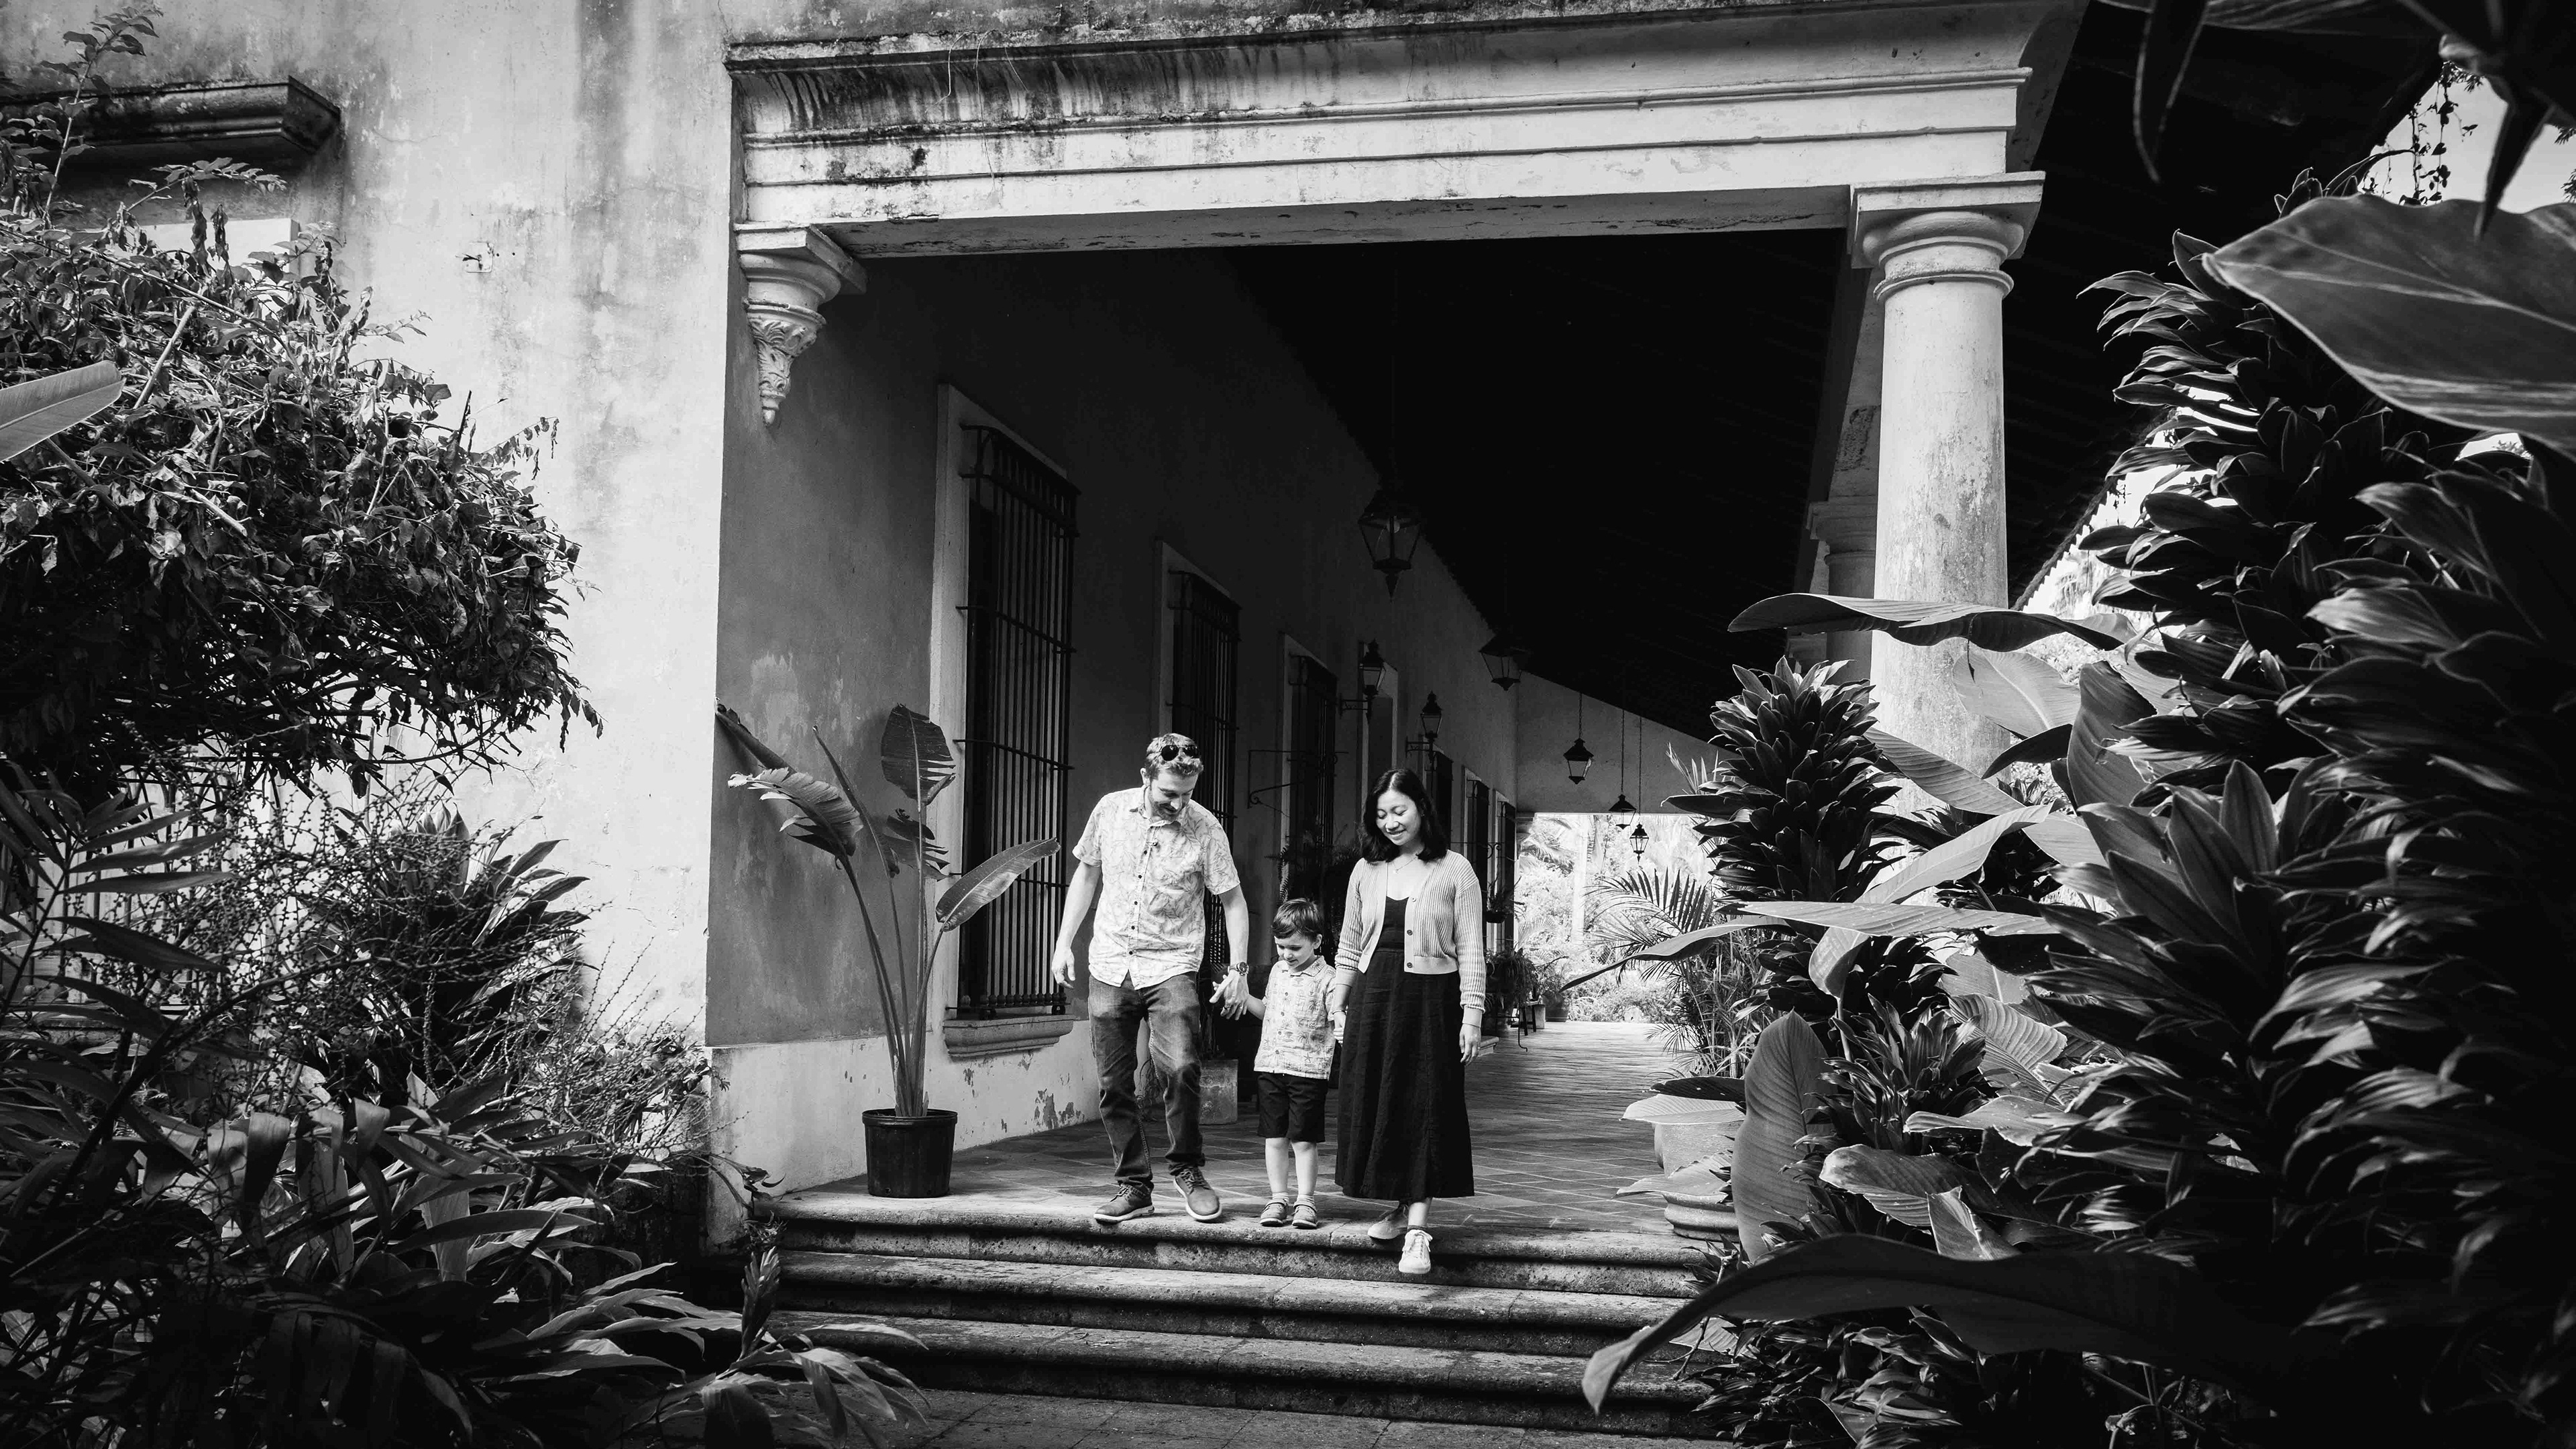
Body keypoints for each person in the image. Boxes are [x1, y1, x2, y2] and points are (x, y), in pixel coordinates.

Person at [1052, 733, 1249, 1225]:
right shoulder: (1110, 810)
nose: (1179, 804)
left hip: (1172, 964)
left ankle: (1187, 1170)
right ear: (1145, 777)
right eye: (1168, 794)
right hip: (1111, 963)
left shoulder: (1205, 828)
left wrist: (1240, 971)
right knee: (1114, 1082)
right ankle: (1134, 1186)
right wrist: (1063, 942)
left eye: (1187, 793)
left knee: (1181, 1068)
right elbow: (1086, 876)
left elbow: (1234, 901)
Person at [1331, 767, 1486, 1275]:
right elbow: (1349, 942)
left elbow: (1472, 948)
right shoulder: (1366, 870)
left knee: (1426, 1104)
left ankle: (1418, 1229)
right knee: (1382, 1101)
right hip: (1374, 998)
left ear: (1422, 807)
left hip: (1431, 1000)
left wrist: (1472, 1015)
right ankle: (1401, 1206)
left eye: (1399, 811)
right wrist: (1338, 1000)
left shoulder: (1456, 870)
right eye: (1381, 814)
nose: (1391, 822)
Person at [1226, 898, 1335, 1230]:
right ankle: (1278, 1198)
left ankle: (1306, 1201)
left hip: (1308, 1071)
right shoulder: (1277, 971)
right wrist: (1243, 997)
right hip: (1271, 1066)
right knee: (1274, 1138)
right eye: (1280, 947)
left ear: (1317, 941)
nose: (1286, 954)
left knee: (1303, 1140)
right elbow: (1267, 1012)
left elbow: (1340, 1020)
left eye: (1294, 948)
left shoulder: (1329, 978)